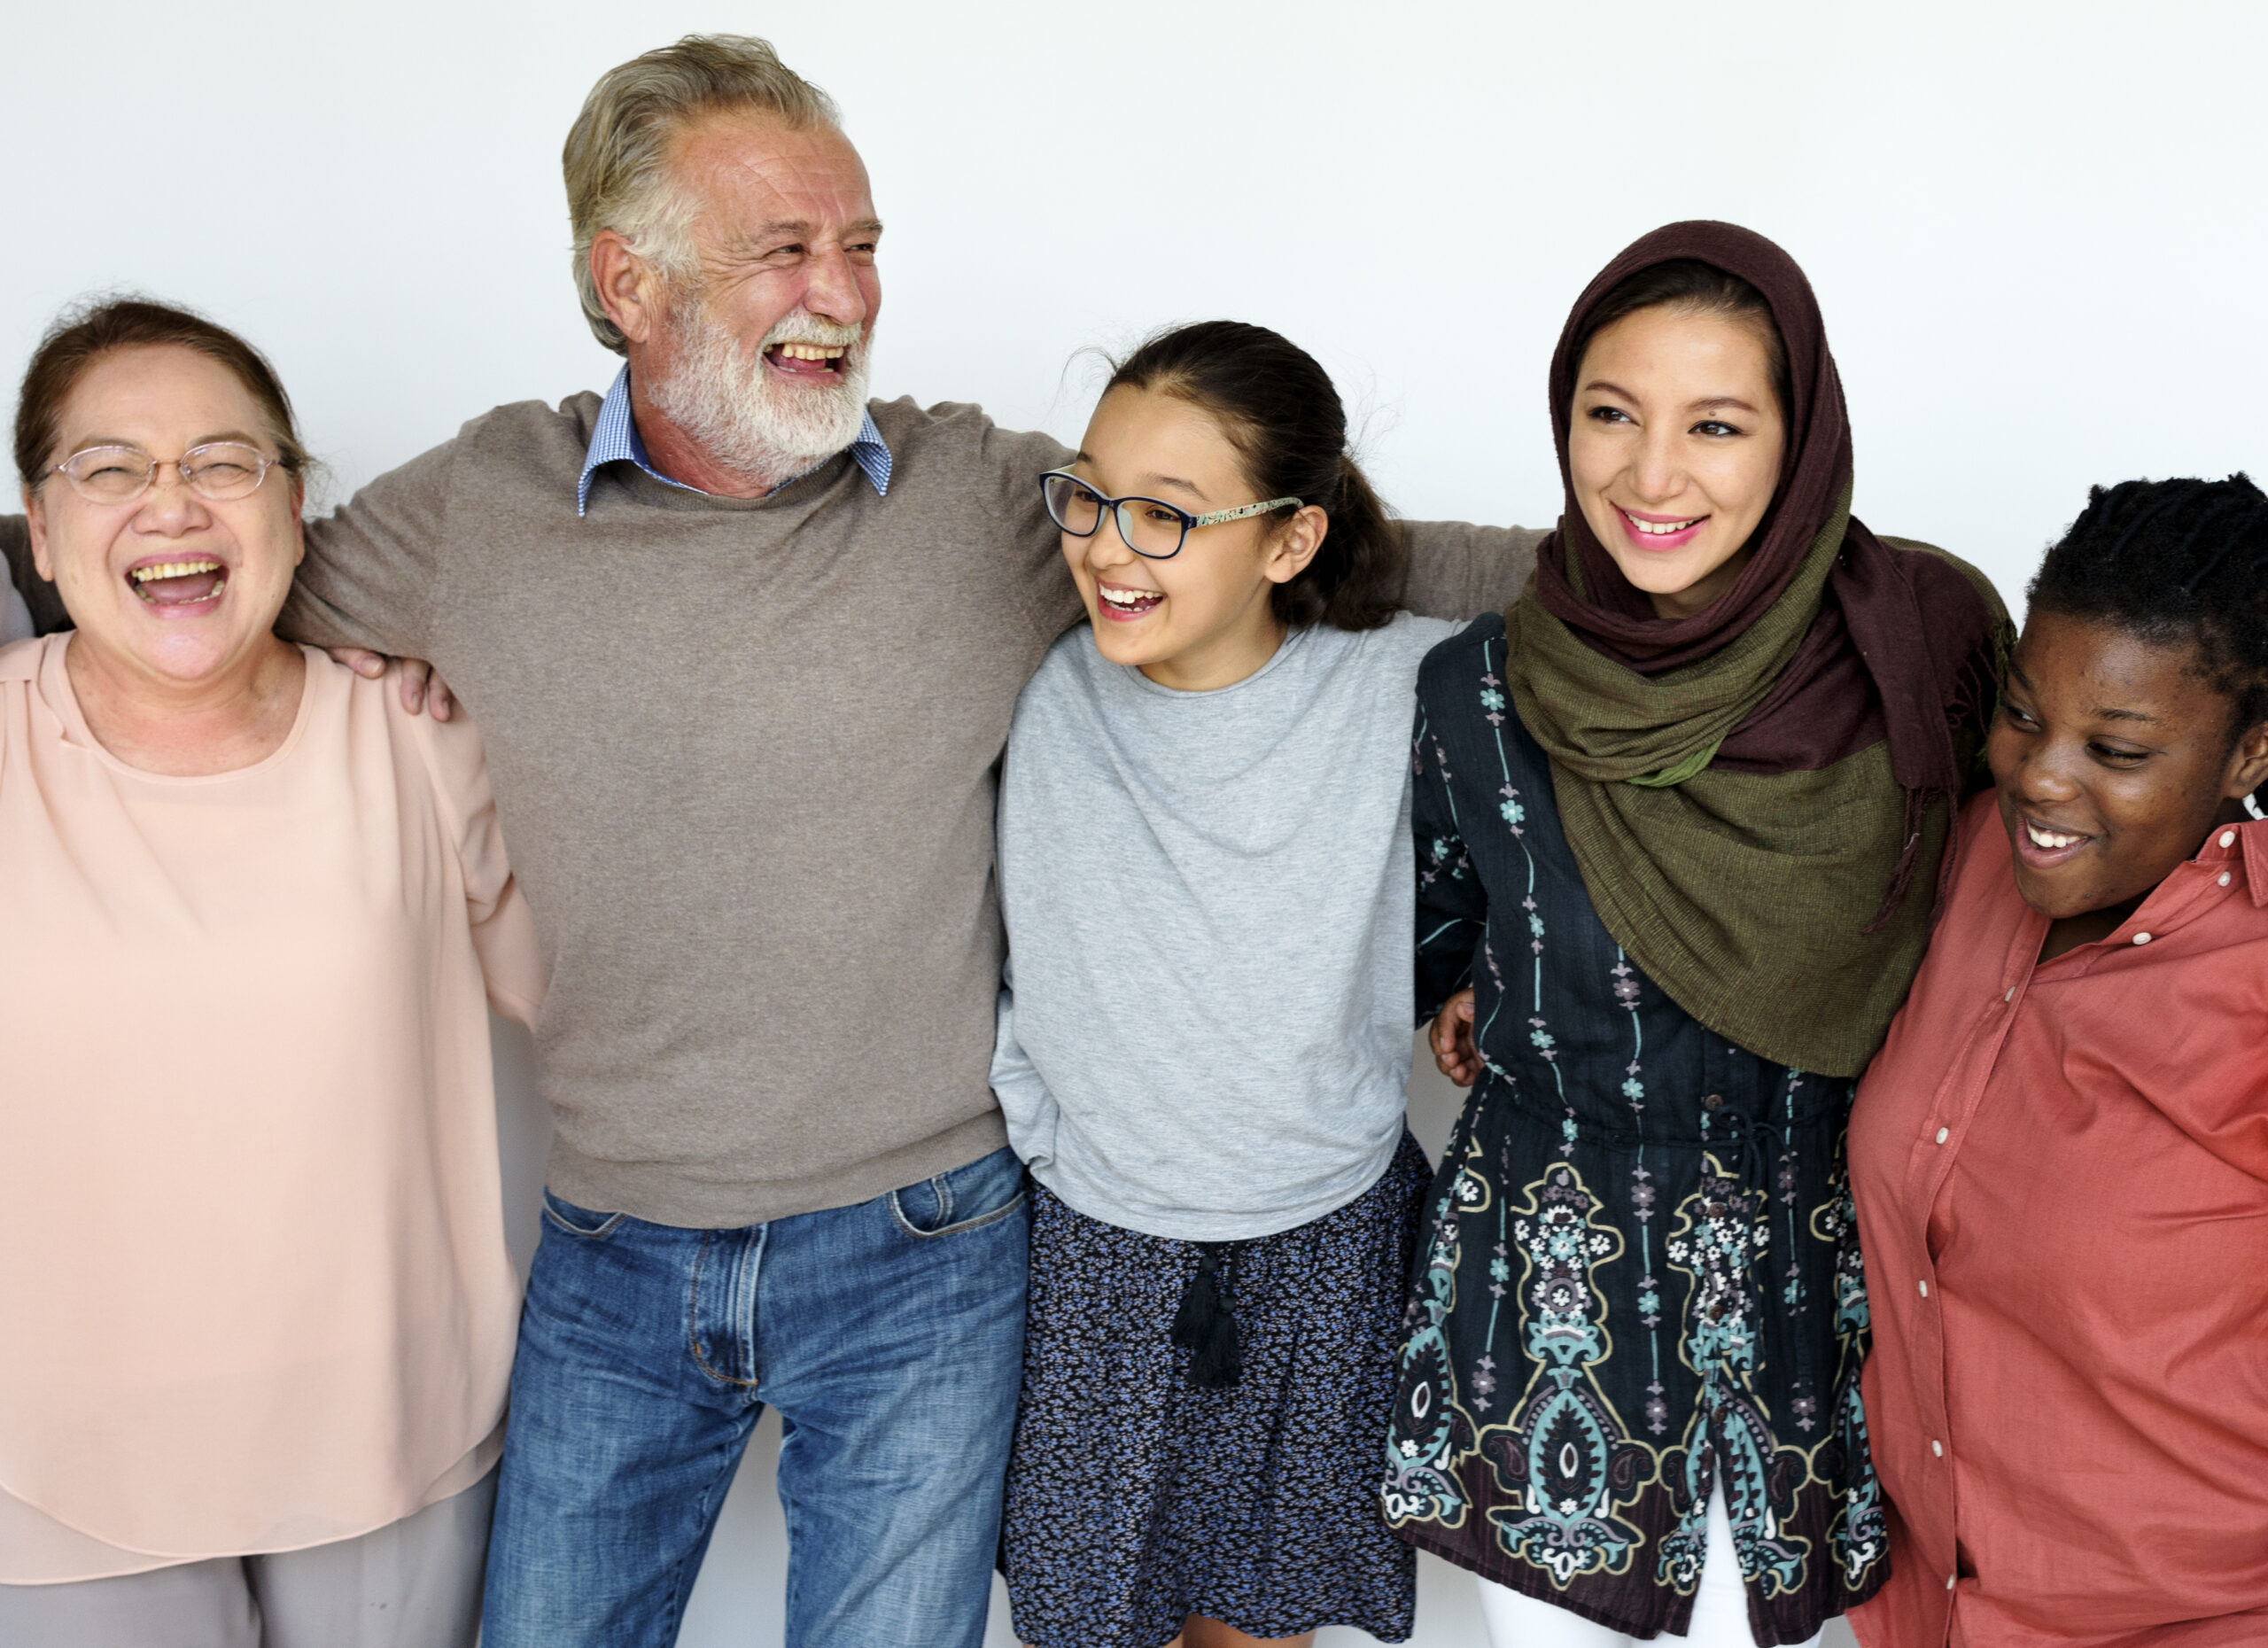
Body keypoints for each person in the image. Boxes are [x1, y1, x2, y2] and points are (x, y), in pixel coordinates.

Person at [0, 34, 1546, 1648]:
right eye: (786, 249)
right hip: (612, 1246)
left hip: (927, 1245)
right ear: (629, 284)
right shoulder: (482, 509)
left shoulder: (990, 504)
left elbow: (1336, 557)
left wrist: (1667, 570)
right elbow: (212, 575)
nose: (846, 293)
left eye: (861, 245)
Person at [1381, 222, 2009, 1647]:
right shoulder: (1482, 690)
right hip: (1545, 1333)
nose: (1651, 475)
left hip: (1825, 1325)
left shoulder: (1926, 648)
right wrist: (1488, 986)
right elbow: (1432, 932)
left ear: (1801, 441)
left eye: (1716, 425)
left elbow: (2027, 907)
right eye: (1612, 414)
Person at [0, 300, 540, 1645]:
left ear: (295, 506)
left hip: (394, 1434)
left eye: (223, 462)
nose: (170, 503)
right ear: (41, 529)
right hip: (56, 1465)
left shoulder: (420, 727)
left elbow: (608, 1011)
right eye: (111, 467)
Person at [991, 323, 1442, 1648]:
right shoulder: (1037, 684)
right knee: (1087, 1619)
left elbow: (1610, 677)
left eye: (1167, 516)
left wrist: (1485, 975)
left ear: (1291, 542)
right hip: (1095, 1245)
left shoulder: (1406, 685)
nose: (1106, 547)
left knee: (1262, 1625)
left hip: (1326, 1242)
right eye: (1088, 496)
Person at [1847, 477, 2268, 1646]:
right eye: (2025, 715)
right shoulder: (1968, 857)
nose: (2040, 774)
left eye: (2117, 749)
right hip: (1921, 1612)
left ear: (2251, 750)